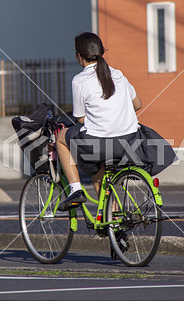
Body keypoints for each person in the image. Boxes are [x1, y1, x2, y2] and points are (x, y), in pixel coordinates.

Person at [56, 32, 142, 211]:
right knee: (99, 172)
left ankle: (75, 190)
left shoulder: (79, 80)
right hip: (131, 140)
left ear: (79, 56)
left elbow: (80, 118)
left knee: (61, 137)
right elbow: (138, 104)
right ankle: (113, 222)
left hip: (102, 143)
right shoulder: (118, 74)